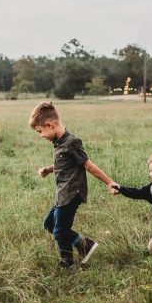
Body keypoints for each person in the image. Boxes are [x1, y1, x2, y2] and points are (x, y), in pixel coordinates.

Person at [30, 101, 119, 268]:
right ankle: (84, 244)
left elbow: (88, 165)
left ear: (50, 125)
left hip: (72, 193)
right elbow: (64, 163)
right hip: (62, 193)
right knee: (49, 224)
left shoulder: (72, 142)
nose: (40, 135)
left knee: (59, 231)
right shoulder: (58, 142)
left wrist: (109, 182)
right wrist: (49, 169)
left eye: (40, 131)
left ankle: (67, 263)